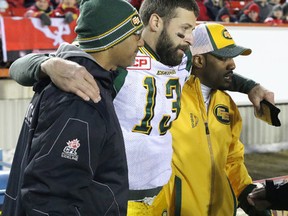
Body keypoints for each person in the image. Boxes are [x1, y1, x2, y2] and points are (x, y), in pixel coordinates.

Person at [8, 0, 275, 215]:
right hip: (120, 198)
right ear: (156, 22)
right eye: (185, 30)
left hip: (160, 197)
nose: (191, 39)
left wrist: (250, 86)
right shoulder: (120, 56)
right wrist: (46, 65)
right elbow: (23, 66)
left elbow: (214, 71)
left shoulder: (181, 57)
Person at [2, 0, 144, 215]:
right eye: (135, 35)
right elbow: (49, 198)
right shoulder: (79, 95)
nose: (141, 43)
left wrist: (45, 63)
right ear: (112, 38)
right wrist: (46, 64)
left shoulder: (79, 73)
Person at [161, 22, 272, 216]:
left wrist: (247, 194)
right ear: (198, 61)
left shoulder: (227, 104)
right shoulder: (167, 98)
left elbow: (232, 161)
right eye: (223, 57)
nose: (233, 64)